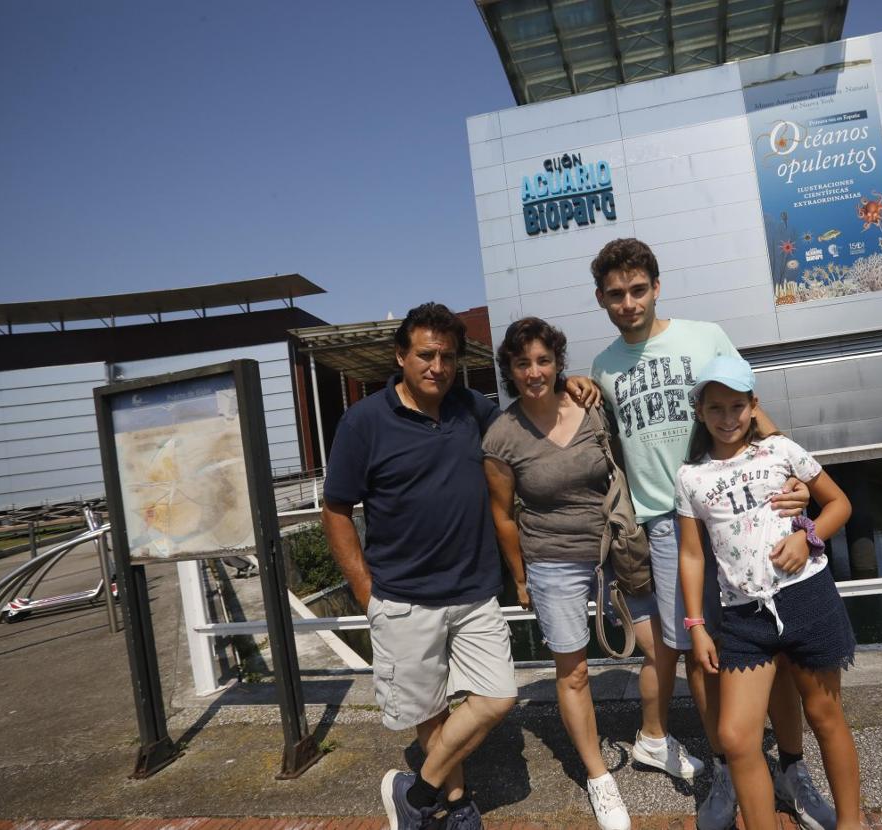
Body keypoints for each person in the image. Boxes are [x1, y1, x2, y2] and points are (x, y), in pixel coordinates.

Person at [588, 238, 835, 830]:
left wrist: (792, 475)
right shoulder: (601, 367)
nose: (629, 303)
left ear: (657, 285)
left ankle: (793, 768)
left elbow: (752, 407)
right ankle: (727, 768)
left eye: (638, 290)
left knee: (773, 643)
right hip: (670, 526)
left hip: (744, 511)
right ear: (601, 299)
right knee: (703, 656)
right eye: (616, 294)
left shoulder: (705, 336)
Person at [321, 302, 599, 830]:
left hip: (474, 591)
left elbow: (532, 410)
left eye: (447, 356)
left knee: (498, 697)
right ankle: (454, 803)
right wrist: (364, 591)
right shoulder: (363, 423)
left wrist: (571, 385)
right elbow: (335, 509)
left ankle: (417, 792)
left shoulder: (473, 409)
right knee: (428, 713)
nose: (437, 366)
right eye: (425, 354)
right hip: (401, 595)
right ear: (401, 356)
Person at [482, 317, 689, 830]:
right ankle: (599, 777)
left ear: (558, 362)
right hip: (552, 557)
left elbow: (628, 460)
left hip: (617, 547)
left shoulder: (591, 405)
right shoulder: (502, 437)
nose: (534, 372)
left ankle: (653, 738)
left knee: (663, 644)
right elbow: (503, 515)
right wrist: (521, 578)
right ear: (509, 368)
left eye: (544, 360)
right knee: (572, 672)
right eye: (523, 362)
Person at [677, 356, 860, 830]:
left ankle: (851, 822)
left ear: (754, 405)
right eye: (714, 407)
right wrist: (696, 625)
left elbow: (839, 504)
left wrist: (809, 536)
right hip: (744, 616)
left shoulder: (781, 450)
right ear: (699, 410)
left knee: (824, 714)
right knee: (736, 737)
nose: (726, 417)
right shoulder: (690, 477)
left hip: (807, 597)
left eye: (737, 405)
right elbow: (693, 555)